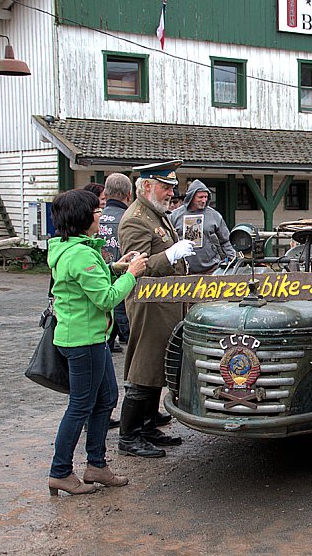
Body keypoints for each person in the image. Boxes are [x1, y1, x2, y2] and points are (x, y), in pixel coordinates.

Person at [46, 189, 147, 496]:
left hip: (90, 337)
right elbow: (105, 298)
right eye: (96, 211)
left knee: (106, 398)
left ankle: (96, 466)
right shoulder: (80, 254)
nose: (101, 216)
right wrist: (132, 275)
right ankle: (60, 472)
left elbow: (89, 281)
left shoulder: (73, 247)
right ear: (83, 218)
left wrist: (117, 267)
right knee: (80, 406)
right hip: (84, 341)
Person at [118, 160, 193, 458]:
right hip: (148, 306)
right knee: (143, 368)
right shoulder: (135, 219)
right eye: (165, 187)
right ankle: (129, 436)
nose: (171, 193)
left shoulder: (155, 213)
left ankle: (148, 427)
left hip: (164, 304)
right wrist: (171, 255)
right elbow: (137, 268)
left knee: (158, 366)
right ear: (147, 186)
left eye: (172, 187)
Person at [169, 179, 235, 274]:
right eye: (200, 197)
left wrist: (232, 259)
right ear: (191, 197)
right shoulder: (174, 216)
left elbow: (226, 241)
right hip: (183, 271)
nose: (204, 200)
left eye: (206, 197)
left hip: (212, 270)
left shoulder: (214, 215)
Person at [99, 173, 132, 354]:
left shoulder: (95, 218)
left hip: (97, 282)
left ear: (105, 193)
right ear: (129, 195)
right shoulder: (130, 218)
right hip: (122, 285)